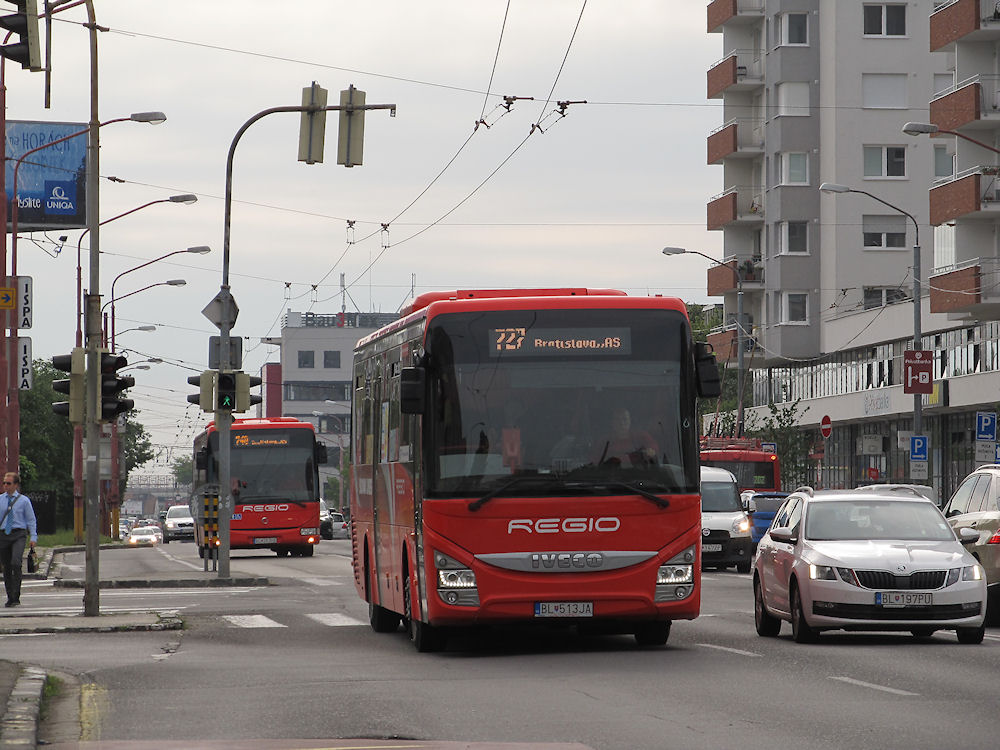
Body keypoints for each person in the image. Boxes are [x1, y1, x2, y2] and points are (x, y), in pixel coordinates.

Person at [0, 472, 37, 607]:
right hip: (3, 535)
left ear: (15, 485)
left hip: (18, 534)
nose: (5, 486)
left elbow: (31, 520)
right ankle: (11, 596)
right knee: (6, 566)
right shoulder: (0, 500)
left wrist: (33, 536)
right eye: (4, 483)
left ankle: (17, 594)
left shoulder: (24, 501)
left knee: (16, 562)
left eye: (8, 483)